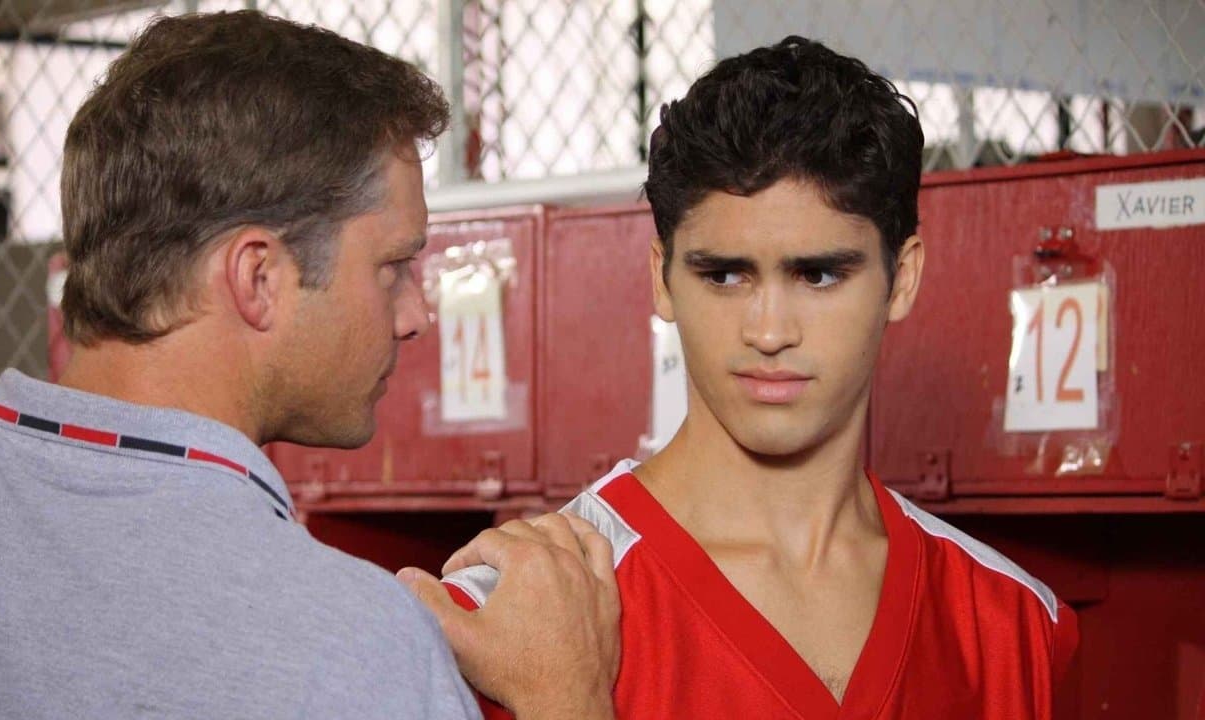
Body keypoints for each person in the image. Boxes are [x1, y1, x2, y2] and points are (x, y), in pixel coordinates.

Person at [0, 11, 617, 720]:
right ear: (258, 278)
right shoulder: (353, 643)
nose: (416, 314)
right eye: (392, 267)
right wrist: (566, 695)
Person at [442, 36, 1077, 718]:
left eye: (819, 274)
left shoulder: (1016, 628)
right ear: (662, 278)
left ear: (903, 278)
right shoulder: (512, 619)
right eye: (724, 275)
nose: (769, 332)